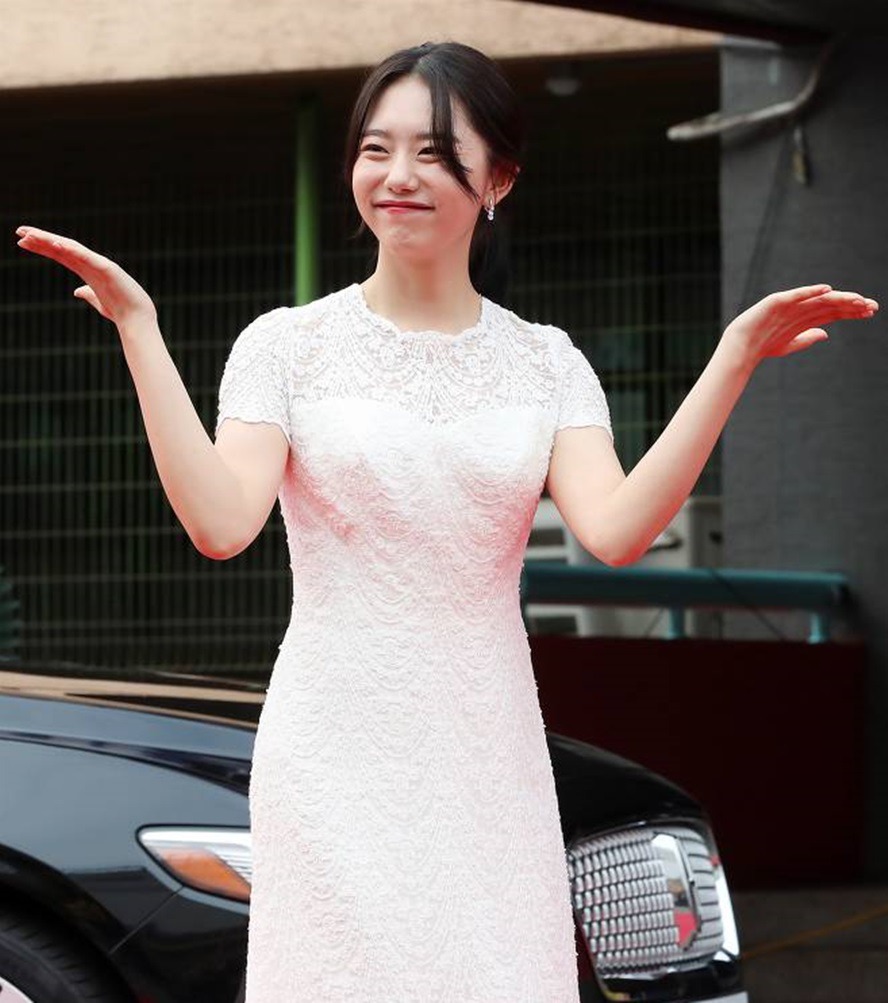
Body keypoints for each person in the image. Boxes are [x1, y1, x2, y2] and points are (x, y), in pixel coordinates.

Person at [15, 40, 878, 1003]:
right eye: (374, 148)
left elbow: (617, 530)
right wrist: (140, 332)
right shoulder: (285, 346)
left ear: (498, 177)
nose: (397, 175)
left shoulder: (548, 362)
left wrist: (732, 360)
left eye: (433, 151)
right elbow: (221, 524)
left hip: (487, 747)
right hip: (335, 745)